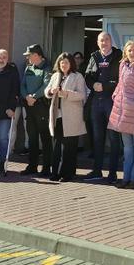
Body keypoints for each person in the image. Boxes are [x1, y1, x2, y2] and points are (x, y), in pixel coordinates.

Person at [108, 40, 134, 189]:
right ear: (125, 52)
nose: (132, 53)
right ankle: (125, 178)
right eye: (129, 50)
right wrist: (115, 94)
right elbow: (120, 84)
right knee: (127, 148)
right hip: (123, 112)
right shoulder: (122, 66)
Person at [83, 32, 123, 182]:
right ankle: (97, 170)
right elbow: (87, 76)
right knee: (98, 138)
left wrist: (105, 86)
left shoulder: (119, 56)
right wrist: (93, 84)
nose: (104, 43)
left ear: (111, 41)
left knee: (113, 138)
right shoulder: (94, 57)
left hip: (111, 101)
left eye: (106, 40)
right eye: (101, 40)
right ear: (98, 42)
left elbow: (120, 79)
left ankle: (112, 173)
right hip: (96, 102)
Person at [45, 52, 87, 182]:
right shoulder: (56, 75)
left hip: (71, 116)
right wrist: (50, 92)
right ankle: (55, 172)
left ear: (71, 64)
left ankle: (67, 173)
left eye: (66, 63)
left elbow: (82, 95)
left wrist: (66, 94)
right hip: (57, 115)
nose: (64, 65)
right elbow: (47, 91)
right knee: (57, 145)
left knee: (68, 147)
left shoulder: (77, 76)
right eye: (61, 63)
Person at [21, 44, 53, 177]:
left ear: (37, 55)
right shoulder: (28, 68)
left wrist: (34, 97)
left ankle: (46, 167)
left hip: (41, 106)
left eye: (29, 55)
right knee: (32, 137)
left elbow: (46, 84)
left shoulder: (47, 68)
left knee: (45, 138)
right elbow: (22, 85)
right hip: (29, 106)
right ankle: (32, 165)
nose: (27, 57)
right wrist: (26, 96)